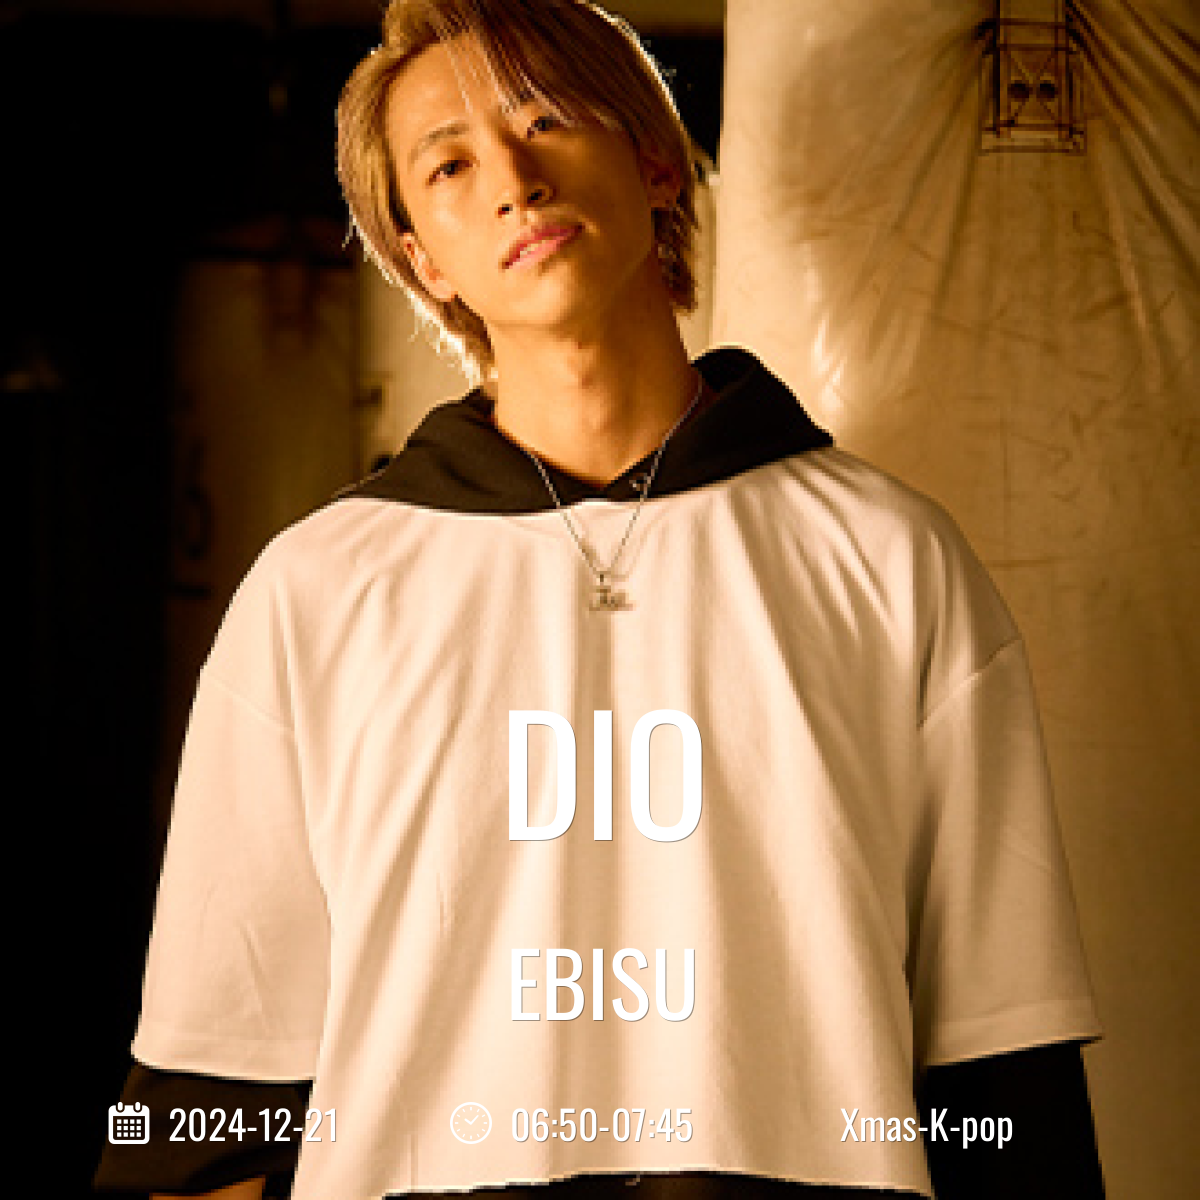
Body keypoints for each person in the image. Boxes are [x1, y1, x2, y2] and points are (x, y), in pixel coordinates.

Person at [95, 1, 1106, 1197]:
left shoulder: (891, 560)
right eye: (450, 165)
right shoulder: (313, 596)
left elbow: (1005, 1083)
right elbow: (208, 1112)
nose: (513, 180)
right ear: (422, 259)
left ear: (655, 160)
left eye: (546, 118)